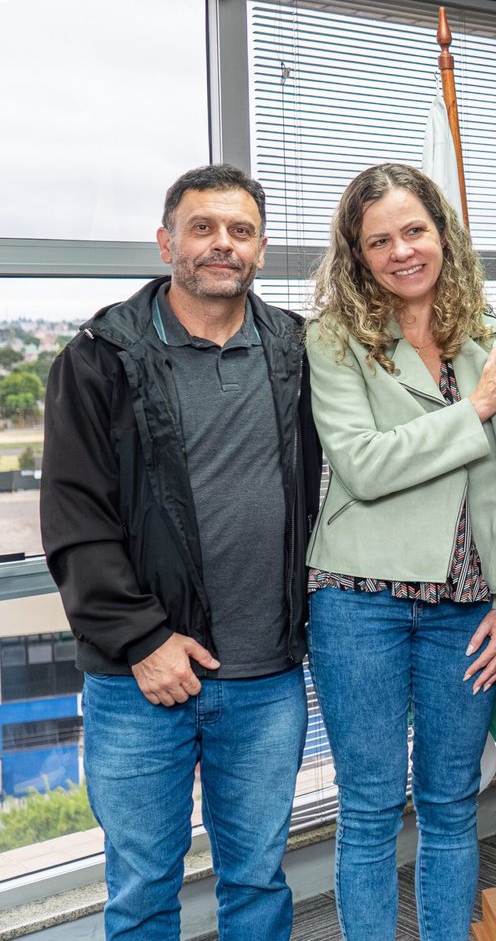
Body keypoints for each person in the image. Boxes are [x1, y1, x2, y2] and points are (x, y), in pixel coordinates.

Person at [40, 164, 321, 941]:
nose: (222, 243)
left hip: (265, 677)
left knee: (257, 881)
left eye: (240, 230)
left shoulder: (297, 351)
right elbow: (74, 519)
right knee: (143, 891)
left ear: (260, 249)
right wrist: (143, 639)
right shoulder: (100, 357)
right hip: (142, 679)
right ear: (167, 242)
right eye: (203, 227)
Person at [303, 163, 496, 941]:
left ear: (442, 232)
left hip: (468, 608)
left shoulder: (491, 335)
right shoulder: (333, 338)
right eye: (380, 240)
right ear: (357, 253)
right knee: (371, 808)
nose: (402, 250)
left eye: (415, 230)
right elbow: (364, 466)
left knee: (450, 806)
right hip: (358, 599)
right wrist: (477, 406)